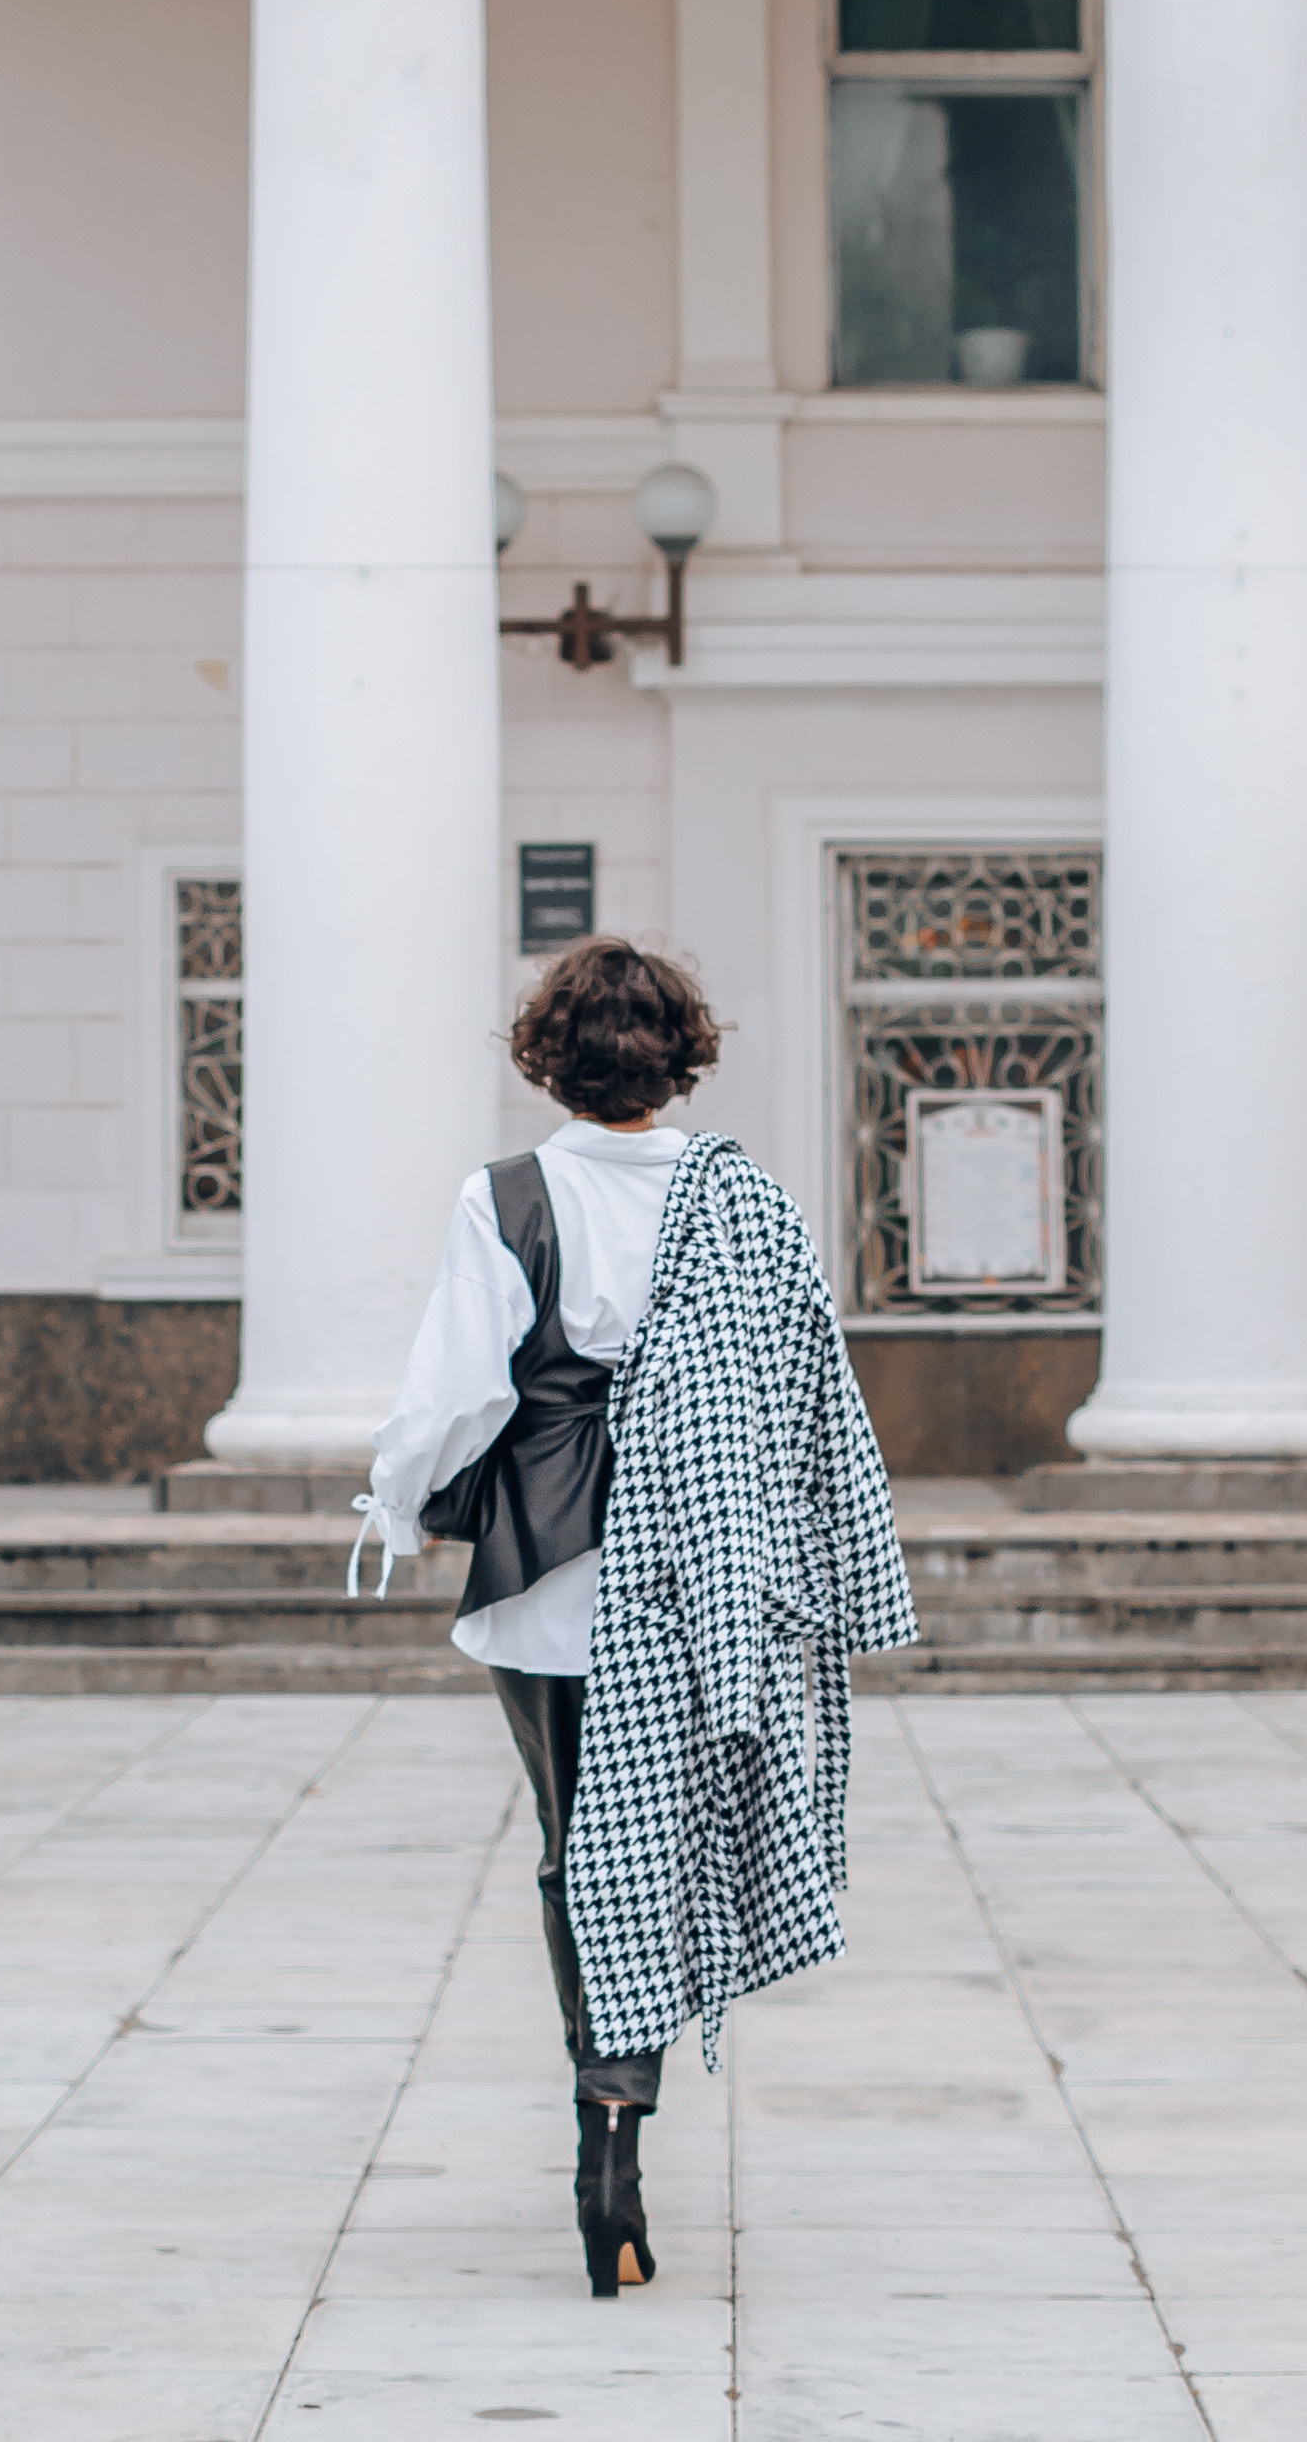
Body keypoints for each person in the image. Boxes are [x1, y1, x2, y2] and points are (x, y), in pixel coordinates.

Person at [356, 937, 915, 2296]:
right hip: (707, 1569)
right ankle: (624, 2124)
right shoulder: (755, 1205)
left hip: (554, 1573)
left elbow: (458, 1396)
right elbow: (806, 1397)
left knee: (577, 1851)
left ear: (550, 1057)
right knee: (659, 1848)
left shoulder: (507, 1197)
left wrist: (401, 1503)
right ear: (682, 1057)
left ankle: (603, 2138)